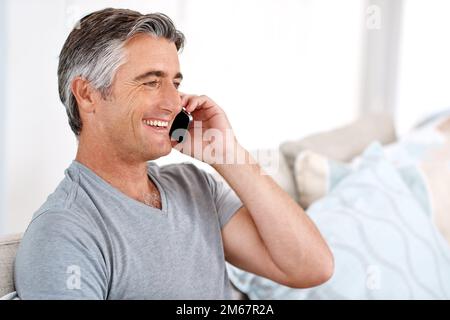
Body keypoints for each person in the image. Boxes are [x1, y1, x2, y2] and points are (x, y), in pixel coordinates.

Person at [14, 8, 333, 299]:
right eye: (151, 82)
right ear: (87, 95)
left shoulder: (194, 185)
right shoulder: (65, 231)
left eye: (175, 83)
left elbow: (311, 267)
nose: (174, 101)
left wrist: (226, 155)